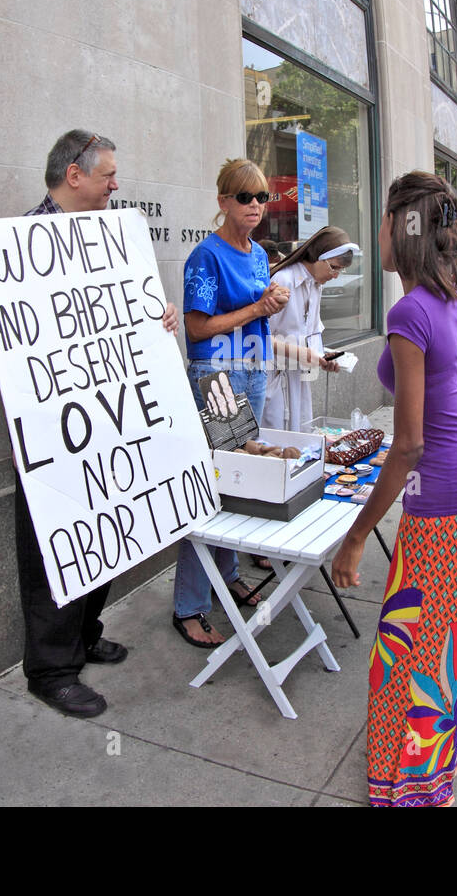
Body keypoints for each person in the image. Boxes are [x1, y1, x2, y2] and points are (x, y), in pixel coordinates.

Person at [331, 171, 457, 807]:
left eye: (383, 218)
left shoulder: (408, 312)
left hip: (441, 499)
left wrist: (355, 537)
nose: (376, 232)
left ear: (402, 230)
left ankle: (413, 787)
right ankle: (434, 769)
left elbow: (410, 445)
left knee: (409, 650)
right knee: (448, 639)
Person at [12, 129, 179, 719]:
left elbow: (124, 319)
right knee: (53, 548)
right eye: (108, 174)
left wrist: (154, 321)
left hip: (108, 425)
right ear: (73, 175)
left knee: (101, 537)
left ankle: (83, 636)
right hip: (56, 432)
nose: (117, 184)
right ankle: (51, 669)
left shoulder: (110, 239)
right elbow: (7, 340)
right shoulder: (23, 243)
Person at [172, 158, 291, 648]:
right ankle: (190, 605)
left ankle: (230, 574)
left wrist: (273, 299)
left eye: (262, 197)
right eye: (244, 197)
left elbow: (259, 310)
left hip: (253, 370)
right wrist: (258, 308)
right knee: (211, 490)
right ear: (223, 200)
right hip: (217, 375)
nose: (256, 206)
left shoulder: (260, 255)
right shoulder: (205, 255)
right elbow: (196, 327)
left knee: (242, 481)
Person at [261, 226, 356, 432]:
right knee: (277, 442)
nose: (336, 275)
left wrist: (323, 357)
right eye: (334, 268)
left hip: (299, 376)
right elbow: (258, 337)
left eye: (340, 270)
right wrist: (299, 353)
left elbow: (310, 332)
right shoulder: (283, 280)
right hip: (274, 375)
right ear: (319, 257)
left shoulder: (316, 285)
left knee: (301, 439)